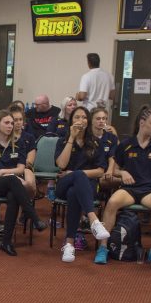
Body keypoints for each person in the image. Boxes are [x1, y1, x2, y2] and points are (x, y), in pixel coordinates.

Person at [95, 107, 151, 268]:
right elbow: (115, 169)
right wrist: (122, 173)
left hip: (150, 190)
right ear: (142, 123)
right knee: (111, 203)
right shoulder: (126, 144)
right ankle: (103, 247)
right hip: (129, 189)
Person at [54, 106, 112, 262]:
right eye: (77, 117)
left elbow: (100, 170)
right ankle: (94, 220)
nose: (81, 120)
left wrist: (75, 174)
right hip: (63, 185)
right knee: (75, 180)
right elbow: (61, 165)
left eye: (84, 117)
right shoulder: (63, 140)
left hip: (87, 187)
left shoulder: (95, 143)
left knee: (75, 190)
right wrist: (71, 139)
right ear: (71, 120)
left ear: (88, 121)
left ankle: (69, 244)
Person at [0, 110, 41, 257]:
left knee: (13, 194)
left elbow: (21, 168)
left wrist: (2, 171)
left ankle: (6, 242)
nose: (10, 126)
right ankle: (33, 216)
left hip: (12, 183)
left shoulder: (18, 143)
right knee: (14, 180)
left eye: (12, 123)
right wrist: (4, 173)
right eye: (6, 122)